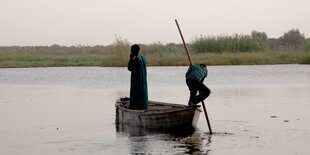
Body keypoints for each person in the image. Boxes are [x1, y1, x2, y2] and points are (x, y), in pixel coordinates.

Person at [128, 44, 148, 110]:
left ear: (134, 51)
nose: (131, 51)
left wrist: (130, 59)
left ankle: (136, 108)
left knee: (136, 96)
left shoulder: (136, 59)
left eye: (131, 50)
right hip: (142, 83)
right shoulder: (142, 58)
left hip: (137, 83)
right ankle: (143, 107)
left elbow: (129, 68)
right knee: (142, 96)